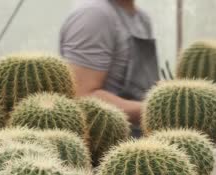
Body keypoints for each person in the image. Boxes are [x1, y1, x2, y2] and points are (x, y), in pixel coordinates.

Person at [59, 0, 159, 132]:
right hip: (105, 140)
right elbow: (82, 96)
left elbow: (142, 83)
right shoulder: (95, 15)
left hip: (140, 137)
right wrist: (159, 111)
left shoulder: (142, 18)